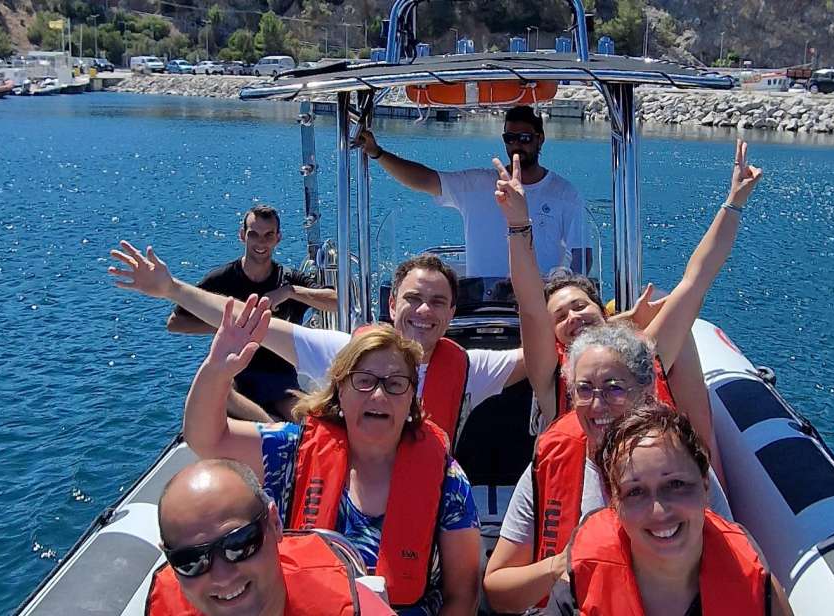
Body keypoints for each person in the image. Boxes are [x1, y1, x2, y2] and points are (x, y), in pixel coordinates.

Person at [482, 140, 761, 613]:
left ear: (645, 387)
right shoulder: (554, 388)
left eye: (581, 306)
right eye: (586, 390)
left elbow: (696, 280)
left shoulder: (673, 462)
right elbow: (530, 302)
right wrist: (516, 223)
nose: (598, 403)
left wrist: (733, 203)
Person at [178, 300, 482, 615]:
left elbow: (463, 593)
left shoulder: (449, 481)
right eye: (364, 381)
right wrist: (216, 371)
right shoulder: (292, 451)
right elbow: (206, 438)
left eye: (395, 384)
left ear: (410, 399)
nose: (378, 395)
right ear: (340, 390)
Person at [110, 245, 527, 443]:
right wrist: (173, 289)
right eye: (413, 299)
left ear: (452, 313)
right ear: (391, 303)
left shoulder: (471, 368)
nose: (423, 312)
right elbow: (252, 323)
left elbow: (538, 355)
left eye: (437, 302)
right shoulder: (341, 352)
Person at [549, 404, 793, 615]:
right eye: (635, 492)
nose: (659, 511)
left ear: (705, 485)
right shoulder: (579, 588)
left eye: (676, 485)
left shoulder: (759, 590)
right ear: (615, 503)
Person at [353, 105, 590, 278]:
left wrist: (563, 291)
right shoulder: (477, 184)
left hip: (540, 303)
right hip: (481, 303)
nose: (517, 144)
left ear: (540, 139)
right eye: (510, 138)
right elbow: (425, 179)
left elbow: (582, 256)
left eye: (525, 138)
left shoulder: (565, 194)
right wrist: (377, 153)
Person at [148, 458, 395, 615]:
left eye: (239, 543)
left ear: (275, 523)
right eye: (190, 560)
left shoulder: (356, 610)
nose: (222, 577)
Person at [167, 205, 337, 421]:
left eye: (268, 235)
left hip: (280, 379)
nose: (261, 242)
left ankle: (273, 431)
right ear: (242, 236)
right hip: (237, 375)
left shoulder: (288, 280)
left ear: (278, 238)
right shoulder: (221, 279)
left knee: (307, 420)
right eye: (253, 234)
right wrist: (227, 324)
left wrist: (290, 292)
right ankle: (272, 431)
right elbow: (175, 322)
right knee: (221, 392)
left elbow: (336, 301)